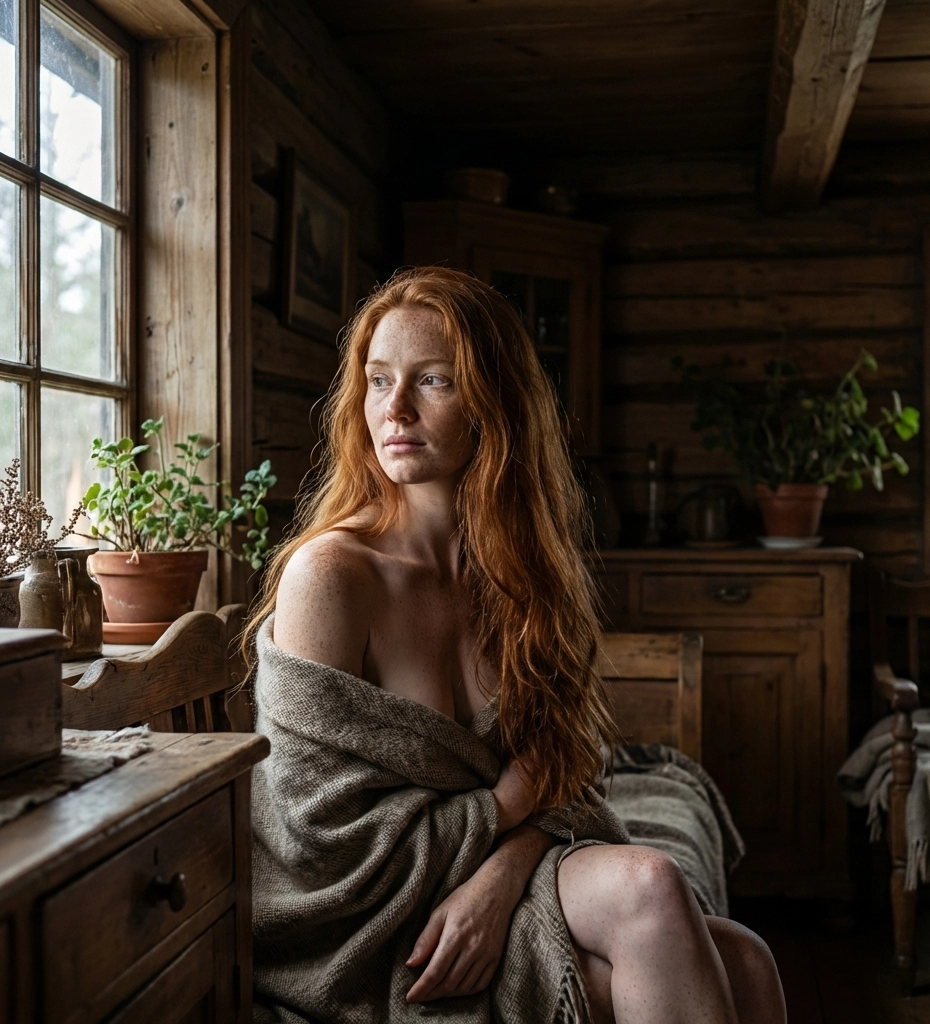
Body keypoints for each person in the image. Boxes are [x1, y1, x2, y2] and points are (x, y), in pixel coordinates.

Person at [246, 266, 786, 1024]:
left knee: (749, 961)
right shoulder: (333, 576)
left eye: (432, 381)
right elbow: (317, 838)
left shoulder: (519, 578)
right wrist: (500, 812)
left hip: (482, 877)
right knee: (652, 889)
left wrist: (496, 884)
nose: (393, 409)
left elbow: (557, 769)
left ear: (493, 404)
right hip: (367, 928)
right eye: (376, 381)